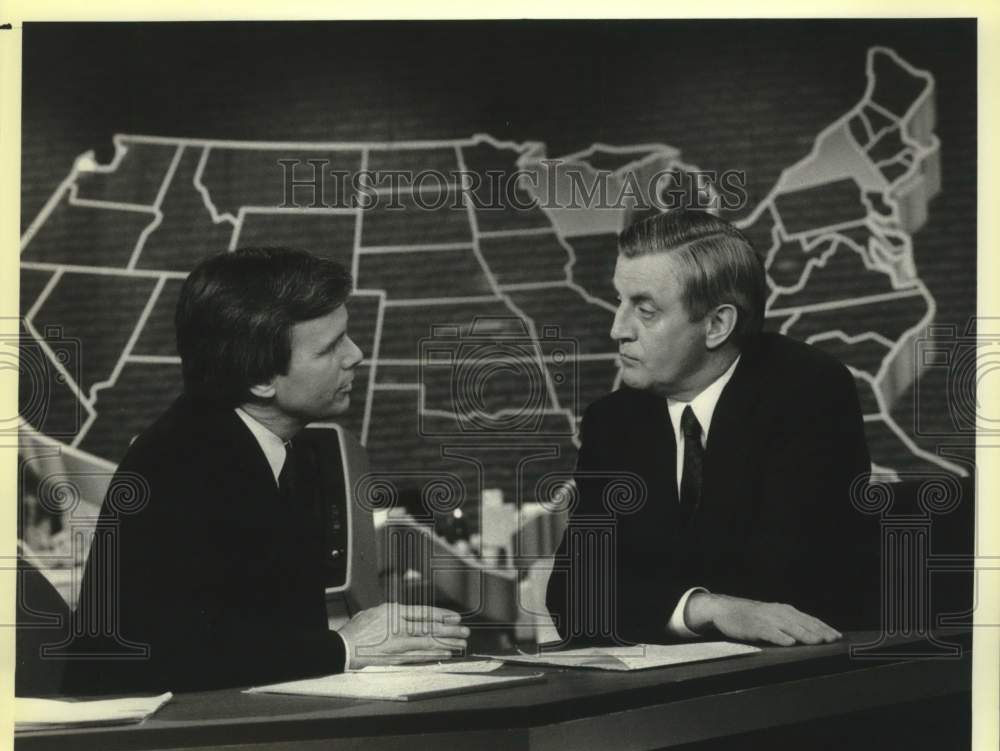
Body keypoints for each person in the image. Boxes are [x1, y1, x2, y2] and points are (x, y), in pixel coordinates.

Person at [64, 247, 468, 695]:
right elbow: (157, 660)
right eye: (330, 346)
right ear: (260, 378)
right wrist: (346, 646)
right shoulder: (186, 467)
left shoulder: (249, 448)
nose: (355, 355)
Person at [546, 209, 876, 648]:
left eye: (644, 310)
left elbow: (784, 588)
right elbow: (574, 600)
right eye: (619, 302)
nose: (617, 329)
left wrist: (653, 596)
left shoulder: (807, 391)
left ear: (717, 324)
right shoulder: (613, 421)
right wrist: (705, 608)